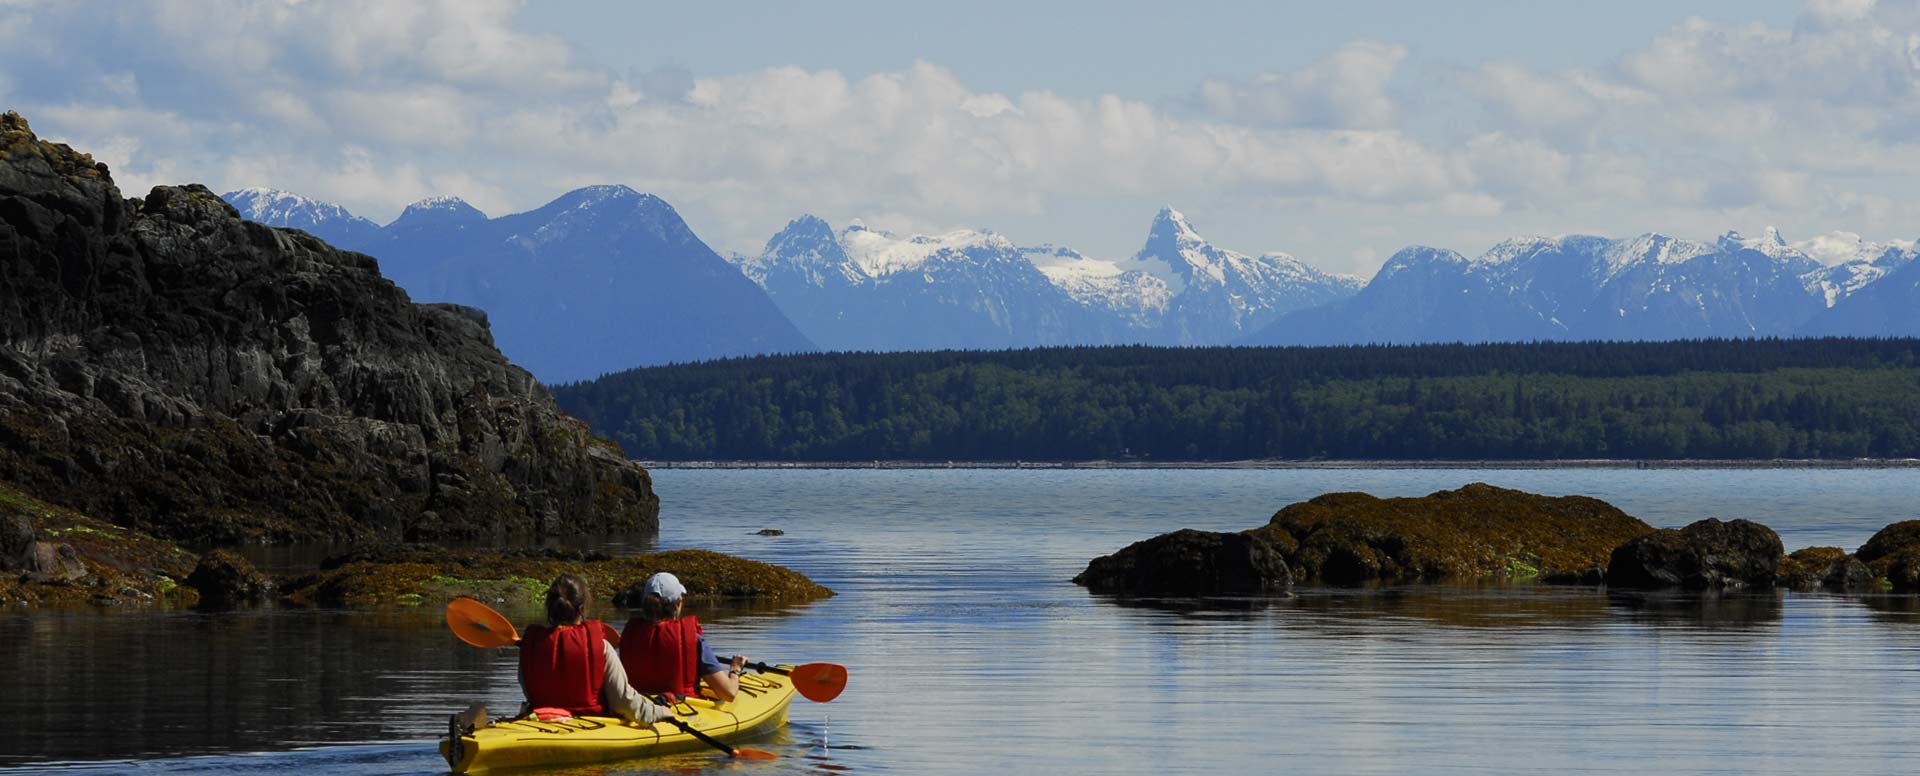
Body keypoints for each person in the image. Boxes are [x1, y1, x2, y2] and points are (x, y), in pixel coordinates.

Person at [517, 573, 675, 725]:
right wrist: (658, 712)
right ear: (582, 610)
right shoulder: (601, 647)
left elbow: (528, 691)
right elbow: (623, 702)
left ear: (549, 607)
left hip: (539, 721)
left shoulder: (530, 646)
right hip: (590, 724)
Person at [620, 572, 751, 703]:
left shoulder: (629, 635)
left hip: (638, 702)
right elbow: (728, 693)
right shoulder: (693, 640)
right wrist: (735, 670)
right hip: (682, 707)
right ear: (678, 603)